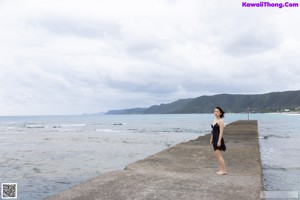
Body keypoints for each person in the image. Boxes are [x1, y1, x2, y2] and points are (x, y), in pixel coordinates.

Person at [210, 106, 227, 175]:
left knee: (219, 156)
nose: (216, 113)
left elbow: (221, 132)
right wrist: (211, 138)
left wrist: (219, 141)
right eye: (215, 111)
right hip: (214, 139)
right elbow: (213, 130)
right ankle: (221, 169)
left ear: (220, 113)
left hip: (218, 139)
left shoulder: (221, 121)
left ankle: (224, 170)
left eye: (217, 111)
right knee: (217, 156)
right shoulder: (214, 120)